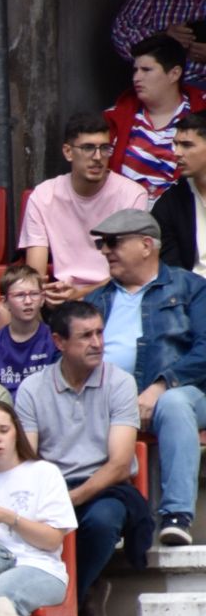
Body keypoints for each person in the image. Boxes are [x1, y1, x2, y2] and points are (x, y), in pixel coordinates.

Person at [16, 300, 146, 616]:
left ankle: (71, 602)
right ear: (59, 342)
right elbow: (27, 459)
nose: (98, 343)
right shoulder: (32, 388)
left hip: (104, 484)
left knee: (101, 521)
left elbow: (119, 464)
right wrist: (53, 498)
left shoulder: (119, 383)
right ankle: (80, 594)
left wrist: (70, 500)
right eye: (86, 335)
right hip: (52, 484)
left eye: (100, 333)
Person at [85, 209, 206, 546]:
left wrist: (161, 384)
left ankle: (176, 515)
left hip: (183, 392)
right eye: (101, 244)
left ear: (146, 245)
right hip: (108, 400)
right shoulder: (96, 300)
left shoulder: (190, 288)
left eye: (113, 242)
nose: (105, 250)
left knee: (174, 403)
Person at [0, 399, 76, 616]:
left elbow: (52, 540)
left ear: (16, 433)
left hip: (40, 568)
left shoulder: (44, 472)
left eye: (4, 430)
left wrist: (9, 518)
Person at [19, 113, 150, 300]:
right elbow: (35, 274)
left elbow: (131, 269)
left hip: (115, 293)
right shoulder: (43, 196)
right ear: (68, 152)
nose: (98, 157)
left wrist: (80, 294)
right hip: (62, 293)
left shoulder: (132, 195)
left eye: (104, 148)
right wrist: (49, 295)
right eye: (88, 148)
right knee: (7, 311)